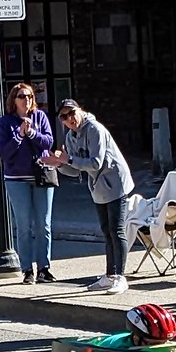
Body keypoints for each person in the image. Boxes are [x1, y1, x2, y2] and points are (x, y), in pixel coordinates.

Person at [41, 99, 135, 295]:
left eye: (71, 113)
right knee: (106, 231)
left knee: (117, 230)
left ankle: (121, 277)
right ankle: (110, 275)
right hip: (98, 187)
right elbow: (75, 171)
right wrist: (57, 164)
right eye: (64, 117)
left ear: (80, 110)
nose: (70, 119)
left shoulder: (94, 129)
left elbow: (95, 163)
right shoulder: (70, 137)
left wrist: (67, 159)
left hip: (115, 182)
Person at [0, 83, 57, 284]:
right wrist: (20, 135)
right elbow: (5, 153)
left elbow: (48, 142)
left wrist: (32, 133)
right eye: (22, 96)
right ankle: (27, 270)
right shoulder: (6, 122)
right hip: (16, 179)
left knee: (44, 225)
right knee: (24, 226)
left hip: (42, 175)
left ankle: (44, 268)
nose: (27, 100)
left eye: (30, 96)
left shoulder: (40, 117)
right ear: (14, 100)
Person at [95, 303, 176, 349]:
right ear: (136, 337)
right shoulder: (118, 349)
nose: (159, 348)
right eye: (152, 344)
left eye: (164, 343)